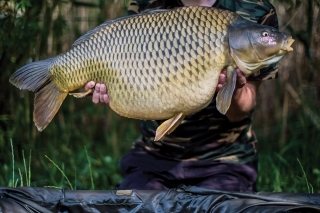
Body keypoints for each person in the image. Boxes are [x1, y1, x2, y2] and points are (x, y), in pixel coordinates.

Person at [85, 0, 279, 191]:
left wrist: (234, 87)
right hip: (155, 155)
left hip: (224, 159)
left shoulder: (256, 10)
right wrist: (110, 85)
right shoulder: (146, 3)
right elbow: (128, 72)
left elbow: (240, 111)